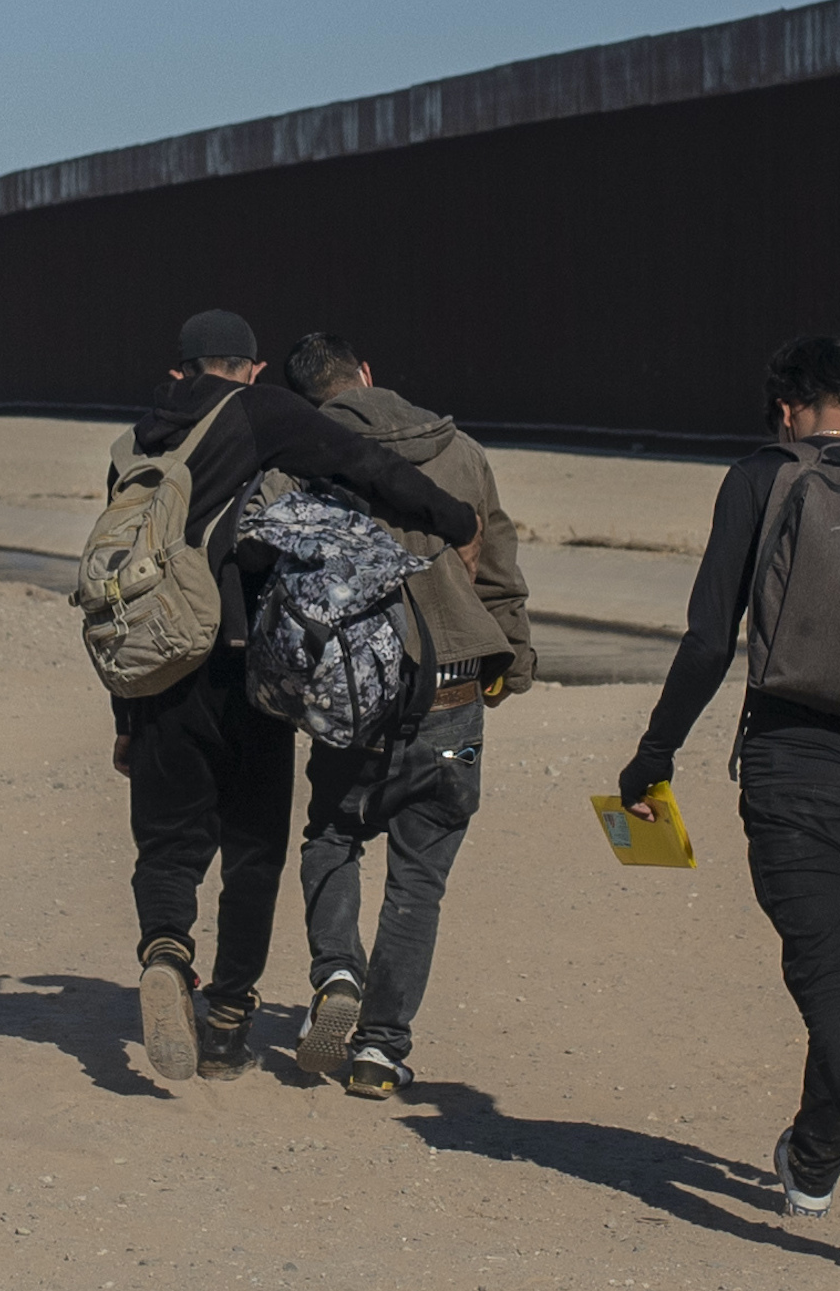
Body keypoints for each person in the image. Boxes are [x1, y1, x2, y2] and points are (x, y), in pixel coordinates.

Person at [615, 336, 840, 1271]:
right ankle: (814, 1156)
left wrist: (653, 755)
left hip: (791, 772)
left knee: (829, 978)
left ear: (784, 410)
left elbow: (709, 641)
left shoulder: (759, 480)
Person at [111, 309, 482, 1084]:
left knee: (169, 842)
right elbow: (361, 464)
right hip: (246, 671)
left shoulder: (135, 443)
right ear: (251, 369)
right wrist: (452, 518)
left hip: (157, 672)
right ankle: (226, 1025)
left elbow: (124, 584)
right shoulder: (260, 412)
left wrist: (125, 717)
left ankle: (166, 951)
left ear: (179, 370)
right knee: (253, 851)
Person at [280, 332, 535, 1099]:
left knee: (332, 835)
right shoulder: (463, 451)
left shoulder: (305, 457)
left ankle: (338, 974)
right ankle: (380, 1050)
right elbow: (500, 573)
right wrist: (512, 663)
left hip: (358, 702)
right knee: (419, 877)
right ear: (367, 373)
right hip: (455, 704)